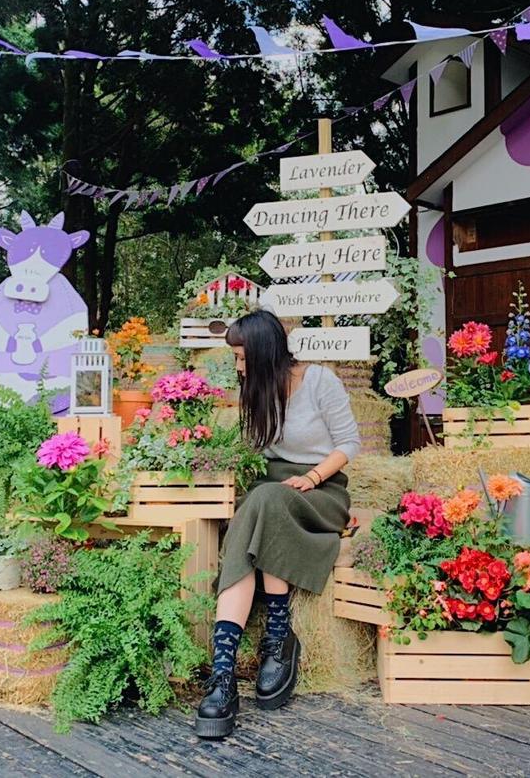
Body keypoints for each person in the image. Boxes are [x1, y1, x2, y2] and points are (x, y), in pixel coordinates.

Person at [194, 310, 360, 739]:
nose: (238, 367)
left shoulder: (320, 381)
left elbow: (348, 443)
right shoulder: (257, 389)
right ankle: (225, 672)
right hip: (270, 490)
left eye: (242, 357)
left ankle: (276, 631)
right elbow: (256, 453)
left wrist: (312, 478)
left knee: (263, 502)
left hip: (320, 492)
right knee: (258, 505)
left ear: (265, 352)